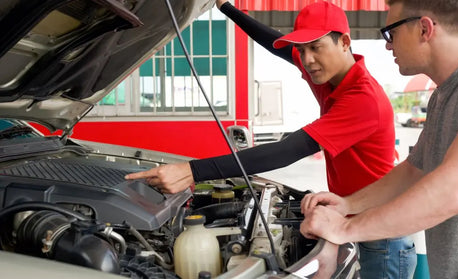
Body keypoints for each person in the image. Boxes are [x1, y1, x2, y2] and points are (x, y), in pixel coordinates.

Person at [126, 1, 416, 277]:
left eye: (316, 47)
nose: (308, 60)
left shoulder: (363, 99)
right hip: (352, 217)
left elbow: (289, 150)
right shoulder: (328, 74)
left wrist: (191, 170)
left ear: (345, 42)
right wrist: (227, 8)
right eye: (302, 50)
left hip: (383, 237)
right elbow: (275, 44)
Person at [299, 0, 458, 278]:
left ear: (424, 29)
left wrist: (345, 228)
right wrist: (349, 204)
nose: (388, 45)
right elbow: (414, 170)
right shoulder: (442, 96)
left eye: (391, 33)